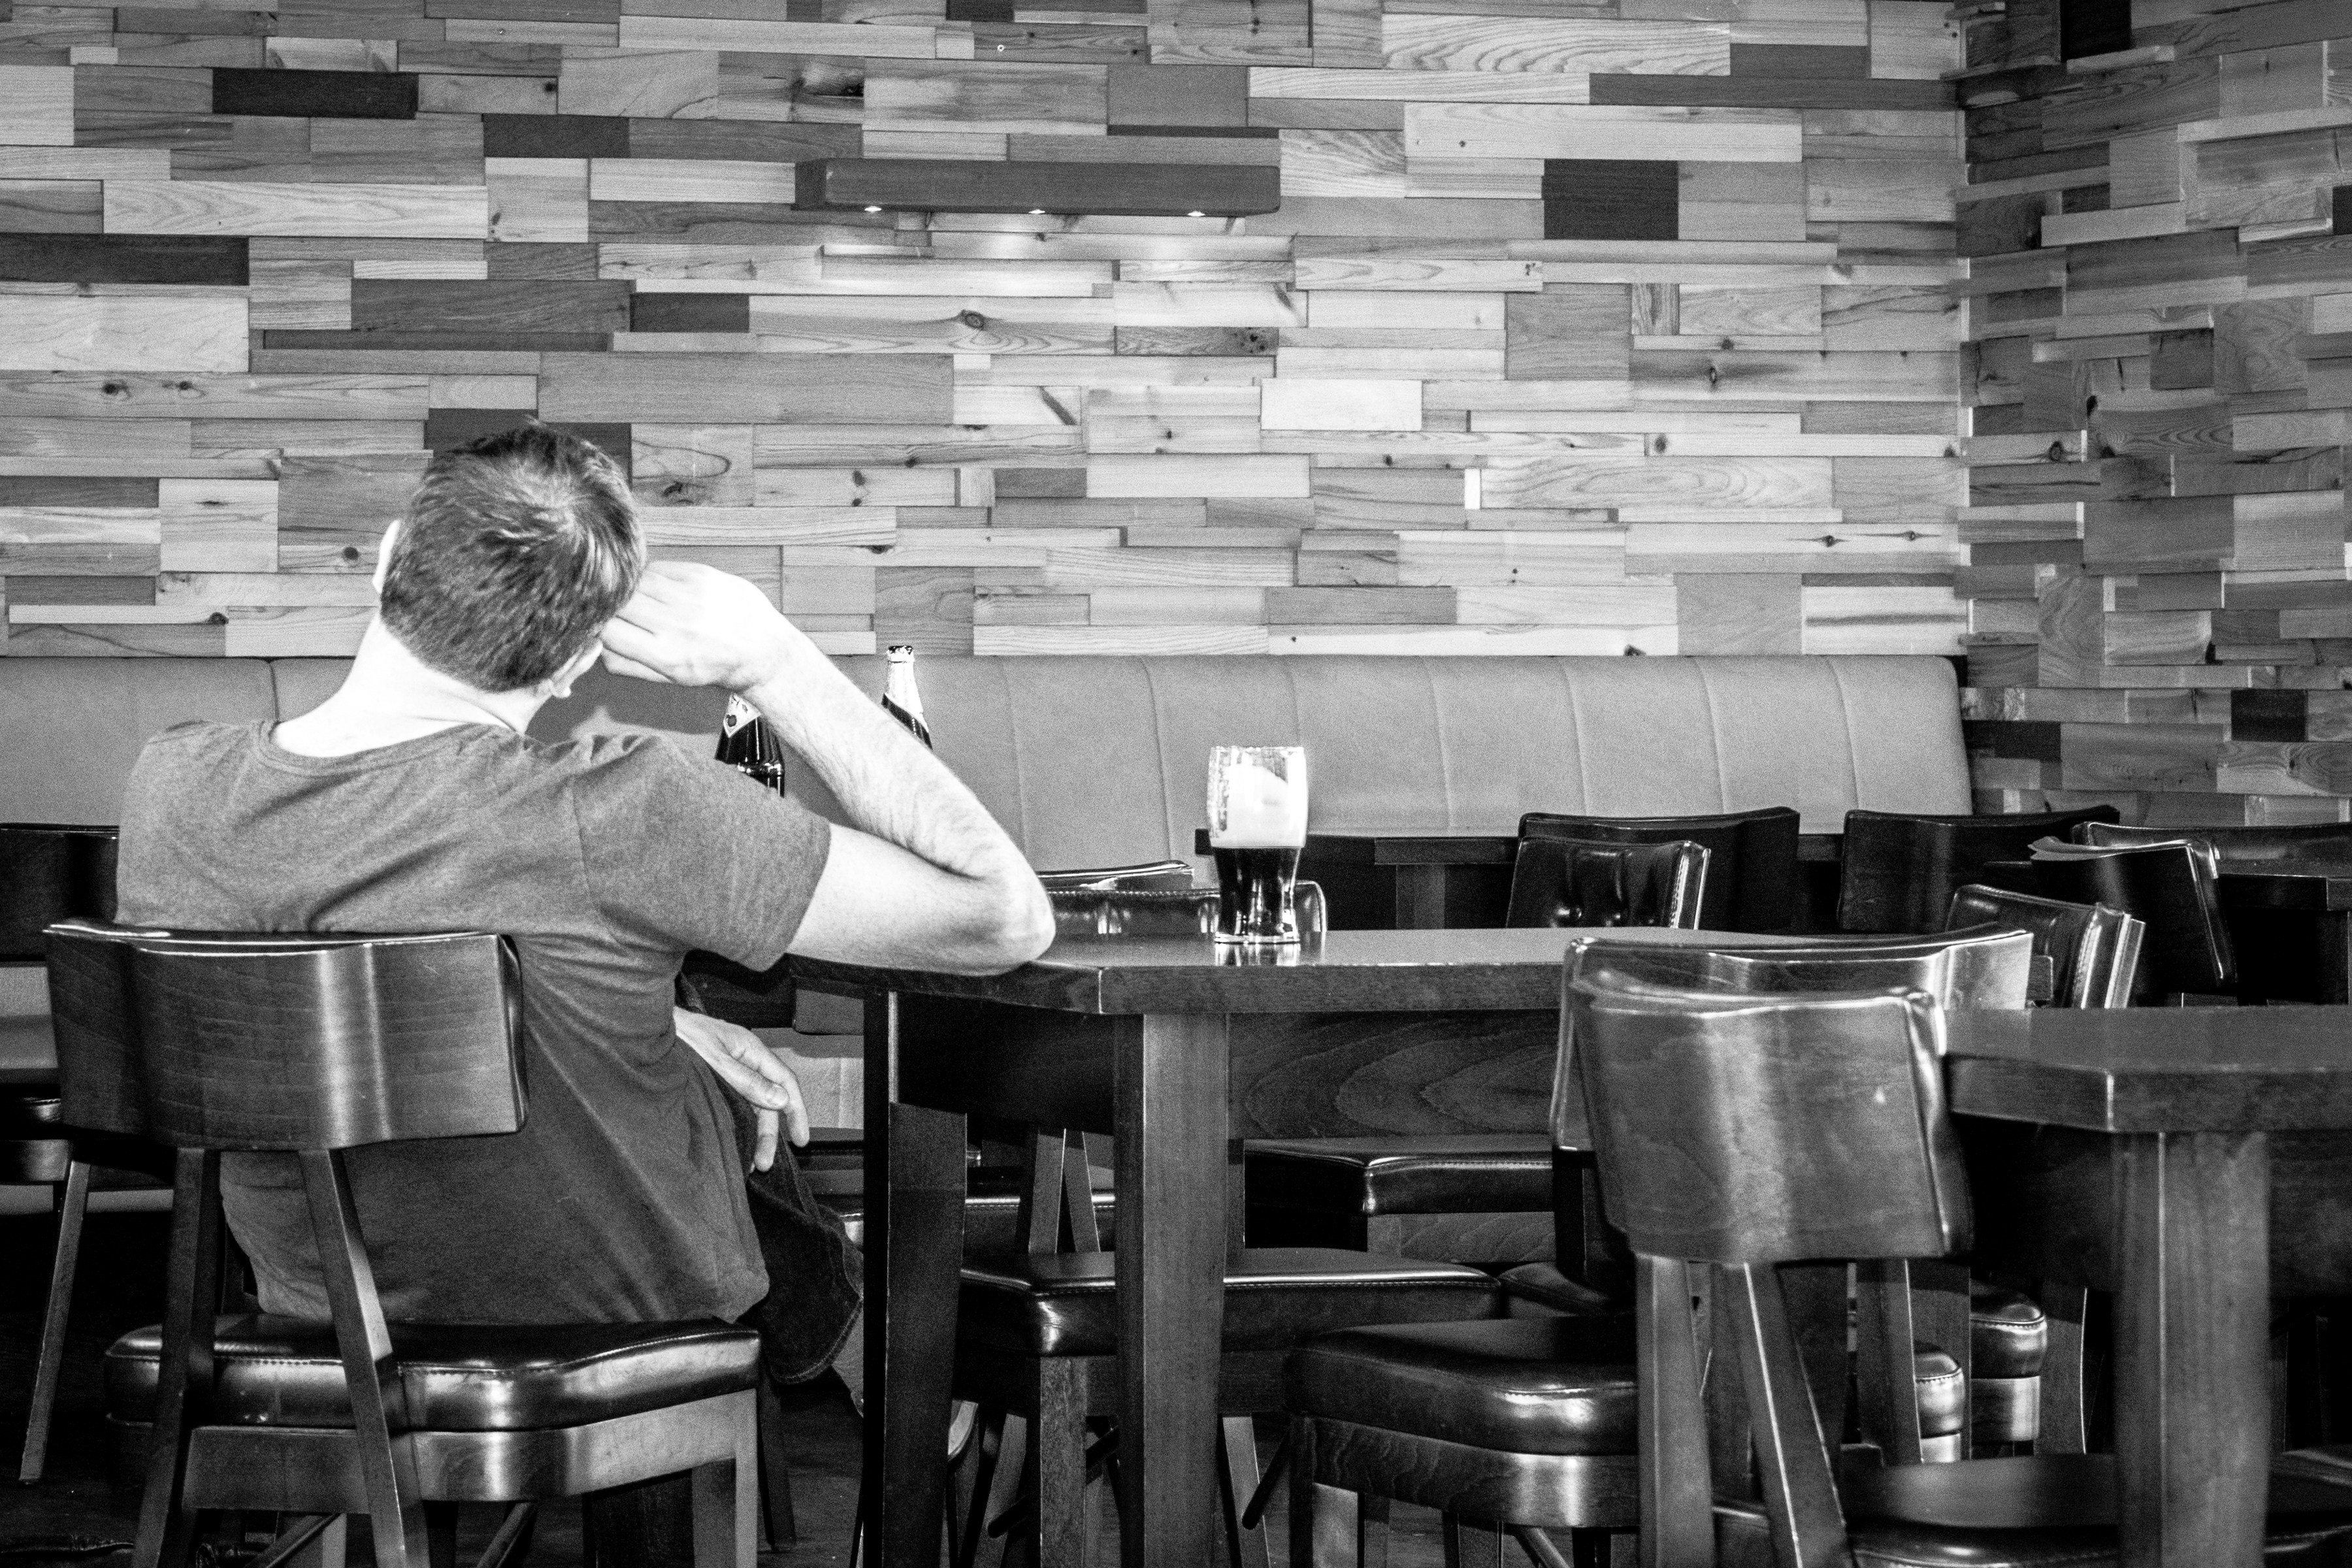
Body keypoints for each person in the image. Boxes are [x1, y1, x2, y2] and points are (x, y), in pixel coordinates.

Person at [114, 424, 1052, 1542]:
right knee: (717, 1107)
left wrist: (630, 1009)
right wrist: (777, 663)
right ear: (576, 663)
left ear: (388, 557)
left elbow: (352, 932)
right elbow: (1005, 915)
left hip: (313, 1303)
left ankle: (855, 1335)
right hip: (598, 1306)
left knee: (680, 1058)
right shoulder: (621, 807)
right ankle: (875, 1352)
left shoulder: (175, 786)